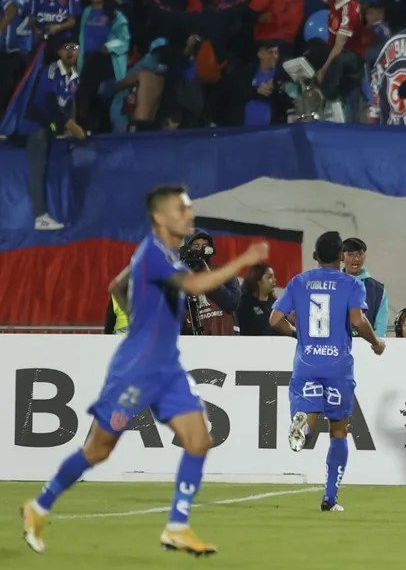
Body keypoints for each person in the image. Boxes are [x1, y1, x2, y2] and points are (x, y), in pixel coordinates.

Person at [21, 185, 270, 555]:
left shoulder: (164, 256)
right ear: (159, 217)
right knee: (98, 450)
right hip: (136, 369)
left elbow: (116, 286)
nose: (189, 215)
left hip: (167, 368)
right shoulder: (152, 254)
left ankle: (177, 526)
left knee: (199, 441)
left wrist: (144, 317)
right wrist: (244, 259)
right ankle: (39, 506)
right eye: (181, 209)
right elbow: (197, 284)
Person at [269, 231, 386, 512]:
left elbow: (274, 319)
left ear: (314, 256)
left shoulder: (299, 282)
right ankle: (330, 497)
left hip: (306, 363)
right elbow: (358, 321)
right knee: (338, 430)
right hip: (337, 366)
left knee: (309, 424)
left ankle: (303, 424)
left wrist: (298, 334)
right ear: (341, 257)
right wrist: (376, 342)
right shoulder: (352, 285)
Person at [21, 37, 85, 231]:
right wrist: (70, 124)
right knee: (37, 165)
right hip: (33, 125)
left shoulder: (75, 76)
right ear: (59, 52)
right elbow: (47, 102)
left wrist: (68, 126)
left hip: (51, 127)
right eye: (66, 48)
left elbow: (68, 104)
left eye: (74, 48)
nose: (71, 52)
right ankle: (40, 216)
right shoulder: (50, 71)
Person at [77, 0, 130, 134]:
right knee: (85, 95)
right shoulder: (86, 12)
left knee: (104, 96)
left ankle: (106, 129)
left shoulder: (115, 14)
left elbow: (124, 39)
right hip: (88, 59)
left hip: (106, 61)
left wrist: (109, 46)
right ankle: (86, 130)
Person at [314, 0, 365, 106]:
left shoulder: (349, 11)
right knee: (314, 45)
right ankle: (308, 83)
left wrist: (324, 70)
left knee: (338, 61)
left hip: (353, 55)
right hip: (337, 48)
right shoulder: (334, 1)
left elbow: (339, 46)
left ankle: (326, 97)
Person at [180, 231, 241, 336]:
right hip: (194, 342)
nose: (201, 250)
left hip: (225, 338)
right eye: (196, 246)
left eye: (205, 246)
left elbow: (234, 302)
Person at [341, 237, 388, 338]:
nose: (356, 259)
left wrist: (374, 345)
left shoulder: (378, 290)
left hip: (367, 347)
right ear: (341, 257)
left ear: (364, 256)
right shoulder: (331, 284)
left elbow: (381, 328)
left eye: (360, 254)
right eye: (350, 254)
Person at [0, 0, 32, 113]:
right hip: (25, 51)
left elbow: (11, 10)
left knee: (5, 92)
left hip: (10, 52)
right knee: (18, 91)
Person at [237, 263, 279, 336]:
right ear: (258, 280)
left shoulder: (275, 304)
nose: (274, 280)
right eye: (269, 277)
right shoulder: (244, 303)